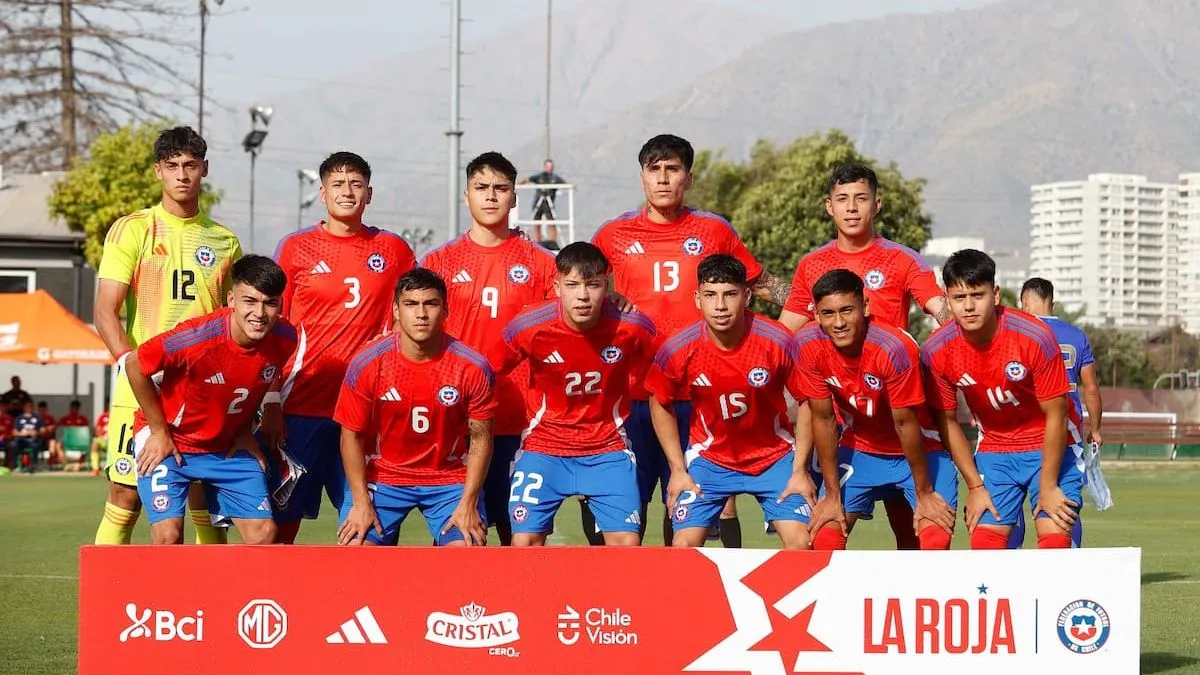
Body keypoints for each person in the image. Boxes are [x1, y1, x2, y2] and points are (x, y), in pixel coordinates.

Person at [591, 133, 791, 547]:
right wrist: (609, 296)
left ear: (690, 177)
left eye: (673, 169)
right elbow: (581, 289)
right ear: (642, 177)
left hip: (697, 396)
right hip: (629, 395)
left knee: (683, 507)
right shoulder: (612, 234)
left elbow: (762, 283)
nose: (663, 179)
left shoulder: (714, 230)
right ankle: (618, 603)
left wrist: (826, 302)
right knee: (624, 509)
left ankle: (673, 602)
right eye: (654, 169)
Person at [777, 162, 951, 552]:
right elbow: (784, 331)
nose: (852, 207)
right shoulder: (813, 264)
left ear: (877, 204)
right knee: (826, 531)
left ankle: (910, 608)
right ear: (829, 207)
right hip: (845, 422)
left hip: (898, 408)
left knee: (912, 536)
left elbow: (938, 305)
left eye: (860, 198)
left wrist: (954, 327)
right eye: (842, 200)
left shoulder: (901, 259)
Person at [92, 126, 242, 546]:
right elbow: (106, 312)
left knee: (205, 495)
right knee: (126, 493)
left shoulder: (226, 242)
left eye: (190, 165)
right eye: (172, 165)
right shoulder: (133, 229)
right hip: (142, 385)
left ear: (204, 170)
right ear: (158, 171)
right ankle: (108, 604)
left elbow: (233, 323)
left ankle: (203, 605)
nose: (181, 175)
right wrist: (134, 369)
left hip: (201, 391)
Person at [271, 151, 417, 543]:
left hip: (365, 413)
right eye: (338, 184)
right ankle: (277, 604)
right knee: (277, 529)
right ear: (322, 193)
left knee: (370, 529)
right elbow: (273, 330)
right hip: (299, 408)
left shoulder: (394, 250)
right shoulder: (294, 249)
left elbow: (414, 322)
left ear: (369, 193)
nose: (347, 192)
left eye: (356, 184)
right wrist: (270, 402)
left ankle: (361, 605)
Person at [420, 152, 558, 545]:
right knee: (464, 536)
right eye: (481, 188)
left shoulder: (543, 263)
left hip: (521, 419)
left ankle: (524, 608)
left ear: (515, 197)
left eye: (501, 188)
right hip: (456, 419)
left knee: (521, 536)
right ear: (466, 196)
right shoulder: (438, 262)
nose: (491, 197)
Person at [644, 254, 813, 549]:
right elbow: (659, 401)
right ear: (697, 298)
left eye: (729, 294)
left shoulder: (778, 341)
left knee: (801, 543)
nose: (720, 305)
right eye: (710, 295)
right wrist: (677, 469)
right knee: (682, 545)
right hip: (710, 461)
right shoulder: (678, 348)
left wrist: (800, 471)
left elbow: (809, 402)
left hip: (773, 458)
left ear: (746, 296)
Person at [125, 255, 296, 545]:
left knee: (264, 535)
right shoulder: (193, 339)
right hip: (171, 442)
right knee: (168, 536)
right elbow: (134, 364)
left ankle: (241, 593)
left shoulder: (286, 338)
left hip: (226, 446)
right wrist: (158, 430)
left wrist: (245, 430)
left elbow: (258, 378)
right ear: (231, 299)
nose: (260, 313)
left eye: (270, 303)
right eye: (249, 301)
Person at [919, 249, 1084, 550]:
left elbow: (1057, 414)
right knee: (985, 550)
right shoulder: (936, 350)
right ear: (947, 299)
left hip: (1051, 443)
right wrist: (975, 486)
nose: (968, 306)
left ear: (994, 294)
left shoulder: (1034, 336)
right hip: (995, 449)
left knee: (1054, 539)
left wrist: (1047, 485)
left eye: (977, 295)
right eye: (959, 297)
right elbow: (947, 421)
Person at [501, 242, 656, 547]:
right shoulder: (529, 326)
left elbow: (667, 370)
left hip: (606, 448)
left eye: (593, 285)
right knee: (524, 542)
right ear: (557, 287)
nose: (583, 296)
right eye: (572, 285)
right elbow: (487, 368)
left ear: (607, 286)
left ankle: (611, 597)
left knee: (626, 543)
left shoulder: (633, 326)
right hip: (545, 446)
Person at [797, 270, 957, 551]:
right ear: (817, 316)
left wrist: (924, 493)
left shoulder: (893, 347)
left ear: (866, 307)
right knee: (824, 536)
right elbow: (823, 418)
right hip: (861, 449)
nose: (839, 322)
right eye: (828, 313)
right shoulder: (808, 344)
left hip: (920, 449)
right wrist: (832, 495)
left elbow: (905, 424)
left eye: (847, 310)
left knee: (934, 540)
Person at [336, 269, 496, 546]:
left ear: (446, 310)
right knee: (356, 548)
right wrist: (361, 503)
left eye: (430, 304)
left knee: (467, 551)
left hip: (448, 479)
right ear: (396, 311)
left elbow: (481, 438)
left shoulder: (473, 367)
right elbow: (351, 436)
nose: (421, 314)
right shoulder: (368, 363)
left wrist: (469, 503)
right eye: (411, 304)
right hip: (383, 476)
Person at [1007, 277, 1103, 548]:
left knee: (1009, 505)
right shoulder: (1076, 335)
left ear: (1024, 302)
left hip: (1021, 432)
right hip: (1066, 433)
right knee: (1064, 501)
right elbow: (1092, 389)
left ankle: (1004, 576)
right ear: (1053, 302)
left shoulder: (1016, 334)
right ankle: (1067, 572)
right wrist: (1096, 430)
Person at [521, 159, 566, 243]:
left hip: (549, 204)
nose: (550, 168)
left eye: (551, 167)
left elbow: (565, 184)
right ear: (545, 167)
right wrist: (517, 184)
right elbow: (528, 179)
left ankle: (553, 241)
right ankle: (538, 241)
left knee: (551, 222)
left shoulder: (555, 178)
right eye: (548, 166)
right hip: (538, 202)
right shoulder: (539, 176)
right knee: (537, 222)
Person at [11, 400, 44, 472]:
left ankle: (33, 466)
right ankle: (15, 466)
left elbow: (43, 431)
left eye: (30, 406)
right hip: (21, 440)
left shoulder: (38, 418)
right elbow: (14, 432)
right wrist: (22, 434)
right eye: (27, 406)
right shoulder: (19, 418)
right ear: (24, 407)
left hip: (33, 440)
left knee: (36, 445)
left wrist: (36, 432)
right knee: (13, 444)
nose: (29, 408)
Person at [58, 401, 90, 470]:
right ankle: (65, 464)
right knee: (58, 444)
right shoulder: (66, 418)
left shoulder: (83, 419)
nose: (73, 409)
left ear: (78, 409)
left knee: (87, 445)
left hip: (80, 440)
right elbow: (57, 426)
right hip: (67, 439)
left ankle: (79, 464)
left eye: (75, 408)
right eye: (72, 408)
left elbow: (86, 432)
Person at [37, 401, 61, 467]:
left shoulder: (50, 418)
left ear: (46, 409)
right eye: (41, 410)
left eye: (44, 409)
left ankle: (51, 464)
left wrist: (46, 429)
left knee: (53, 443)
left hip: (47, 440)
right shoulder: (36, 418)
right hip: (37, 439)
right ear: (38, 409)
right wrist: (43, 430)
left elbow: (53, 428)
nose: (42, 411)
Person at [90, 409, 110, 477]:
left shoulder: (119, 415)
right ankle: (95, 469)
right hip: (103, 440)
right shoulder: (103, 416)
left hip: (114, 441)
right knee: (95, 444)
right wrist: (100, 434)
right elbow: (97, 429)